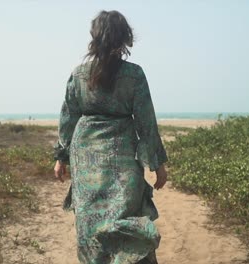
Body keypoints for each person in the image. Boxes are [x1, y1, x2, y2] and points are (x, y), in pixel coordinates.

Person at [53, 10, 168, 264]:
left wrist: (61, 158)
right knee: (126, 217)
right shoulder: (134, 74)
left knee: (89, 222)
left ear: (94, 37)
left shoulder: (78, 74)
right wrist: (158, 165)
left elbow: (68, 118)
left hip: (85, 158)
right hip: (123, 156)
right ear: (125, 38)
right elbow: (146, 122)